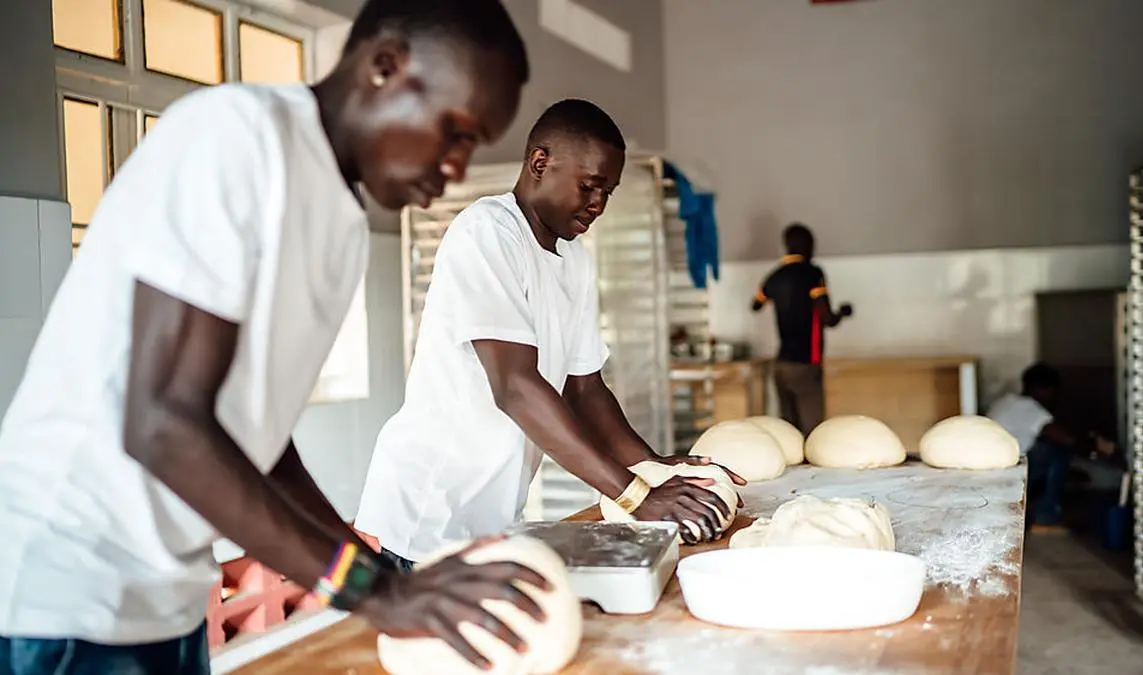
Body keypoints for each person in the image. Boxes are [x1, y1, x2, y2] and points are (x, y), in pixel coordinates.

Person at [0, 1, 546, 673]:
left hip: (163, 602)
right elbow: (164, 422)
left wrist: (375, 571)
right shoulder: (238, 137)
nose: (457, 166)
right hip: (61, 597)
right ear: (384, 65)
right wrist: (374, 589)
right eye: (454, 131)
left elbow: (257, 438)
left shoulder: (341, 224)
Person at [355, 99, 744, 569]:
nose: (598, 204)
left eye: (608, 192)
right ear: (541, 163)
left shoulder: (574, 260)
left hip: (493, 516)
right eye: (590, 186)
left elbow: (586, 389)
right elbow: (515, 387)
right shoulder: (488, 233)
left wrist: (653, 469)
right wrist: (633, 494)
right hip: (421, 516)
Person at [988, 362, 1114, 534]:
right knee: (1057, 452)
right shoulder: (1030, 409)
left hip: (992, 469)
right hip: (1010, 471)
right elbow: (1065, 439)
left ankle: (1038, 509)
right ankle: (1045, 516)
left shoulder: (1006, 401)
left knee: (1048, 449)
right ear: (1042, 389)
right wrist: (1098, 447)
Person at [751, 223, 852, 436]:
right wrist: (842, 312)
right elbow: (827, 318)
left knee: (790, 433)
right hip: (806, 363)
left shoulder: (775, 276)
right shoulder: (813, 274)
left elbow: (756, 304)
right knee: (814, 434)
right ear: (809, 245)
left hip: (781, 364)